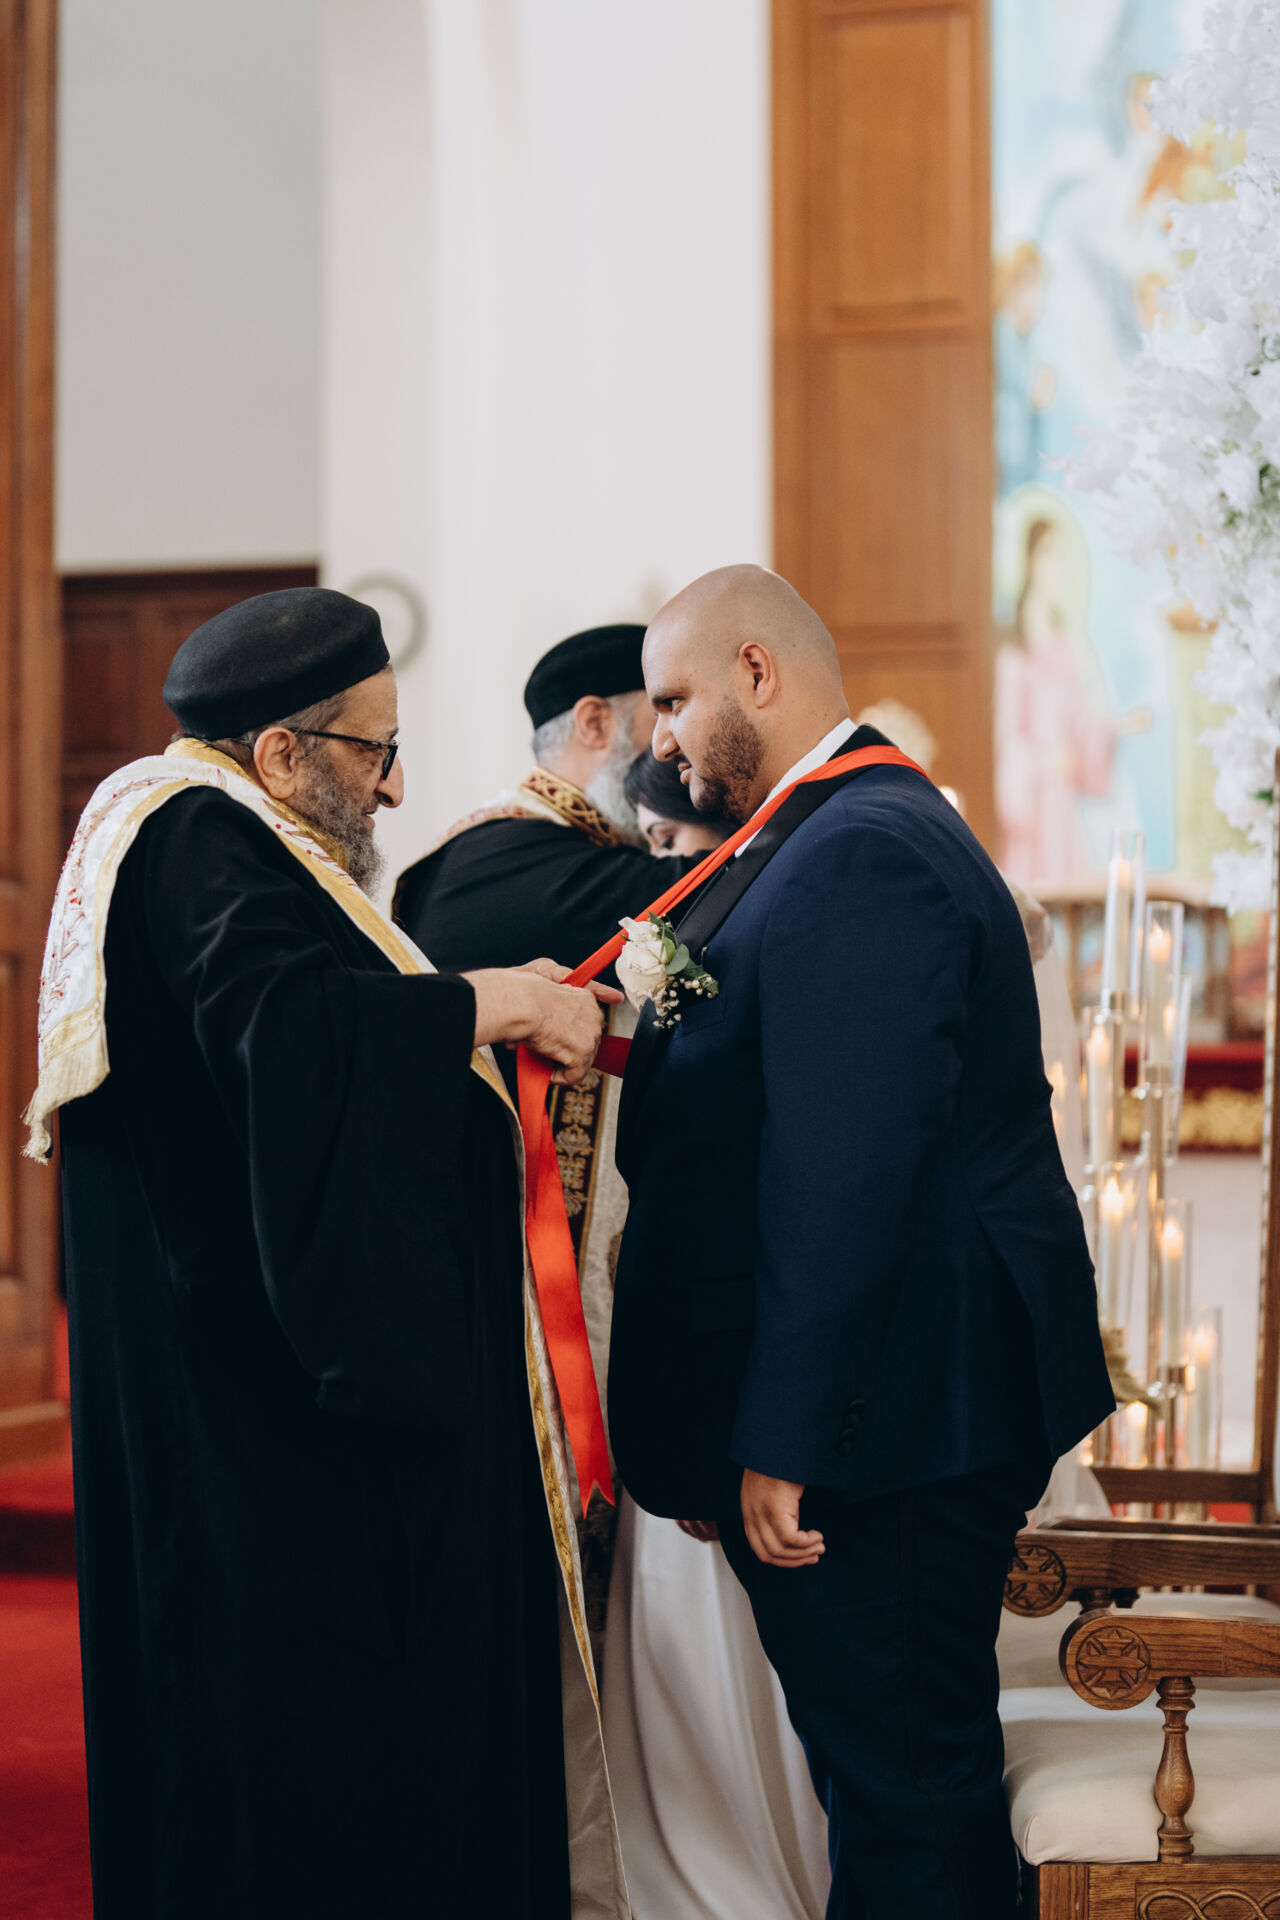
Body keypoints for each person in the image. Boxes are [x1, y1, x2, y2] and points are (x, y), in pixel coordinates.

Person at [28, 587, 630, 1920]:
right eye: (376, 750)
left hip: (218, 1372)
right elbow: (294, 1041)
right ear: (281, 751)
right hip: (251, 1410)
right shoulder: (199, 835)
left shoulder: (187, 825)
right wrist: (496, 1001)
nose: (396, 787)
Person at [608, 565, 1114, 1920]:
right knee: (886, 1781)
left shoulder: (861, 849)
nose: (659, 736)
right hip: (886, 1411)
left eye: (674, 698)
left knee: (906, 1797)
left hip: (888, 1425)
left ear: (758, 672)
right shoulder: (826, 831)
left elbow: (846, 1175)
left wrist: (788, 1435)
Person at [394, 624, 703, 1648]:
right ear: (594, 722)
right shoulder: (503, 861)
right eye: (662, 715)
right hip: (512, 1288)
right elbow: (710, 908)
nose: (676, 746)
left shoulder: (559, 858)